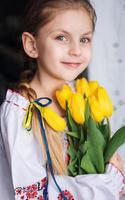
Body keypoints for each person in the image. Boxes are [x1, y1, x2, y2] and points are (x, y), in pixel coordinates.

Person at [0, 0, 124, 199]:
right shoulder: (19, 113)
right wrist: (110, 181)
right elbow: (35, 195)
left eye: (84, 39)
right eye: (61, 37)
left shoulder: (81, 96)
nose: (76, 50)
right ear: (32, 45)